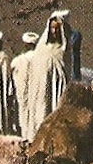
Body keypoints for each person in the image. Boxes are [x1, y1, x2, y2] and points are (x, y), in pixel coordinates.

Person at [20, 11, 71, 141]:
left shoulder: (64, 49)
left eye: (57, 29)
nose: (54, 32)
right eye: (53, 28)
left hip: (57, 92)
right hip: (40, 93)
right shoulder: (41, 49)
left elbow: (65, 70)